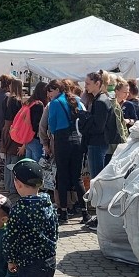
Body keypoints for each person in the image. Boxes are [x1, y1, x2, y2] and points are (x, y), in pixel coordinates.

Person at [47, 79, 86, 223]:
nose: (48, 94)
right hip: (77, 140)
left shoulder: (55, 103)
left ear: (57, 90)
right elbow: (83, 116)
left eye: (50, 91)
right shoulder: (76, 100)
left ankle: (63, 213)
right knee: (77, 178)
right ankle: (85, 212)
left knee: (62, 177)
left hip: (62, 141)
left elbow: (52, 124)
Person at [82, 70, 113, 183]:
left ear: (98, 83)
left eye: (88, 83)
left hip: (97, 143)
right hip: (99, 142)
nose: (85, 86)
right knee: (97, 176)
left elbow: (98, 127)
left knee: (96, 178)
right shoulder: (100, 99)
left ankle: (97, 200)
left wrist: (85, 123)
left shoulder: (100, 101)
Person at [0, 77, 24, 194]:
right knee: (14, 159)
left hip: (6, 128)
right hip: (15, 130)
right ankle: (12, 187)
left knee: (8, 158)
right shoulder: (17, 101)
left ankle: (7, 185)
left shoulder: (7, 99)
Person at [15, 81, 47, 163]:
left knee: (28, 164)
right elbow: (36, 124)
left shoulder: (30, 102)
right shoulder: (39, 104)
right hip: (35, 138)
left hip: (28, 138)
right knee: (36, 165)